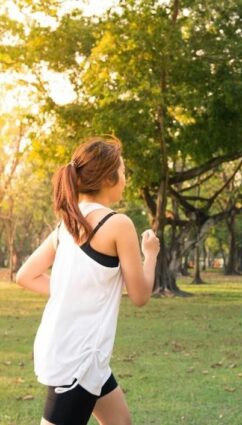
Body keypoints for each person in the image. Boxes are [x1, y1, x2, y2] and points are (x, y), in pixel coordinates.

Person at [16, 135, 160, 425]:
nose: (125, 179)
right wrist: (151, 253)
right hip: (77, 361)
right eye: (123, 172)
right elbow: (141, 295)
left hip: (83, 355)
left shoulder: (67, 224)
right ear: (108, 179)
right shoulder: (117, 224)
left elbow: (25, 275)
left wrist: (73, 292)